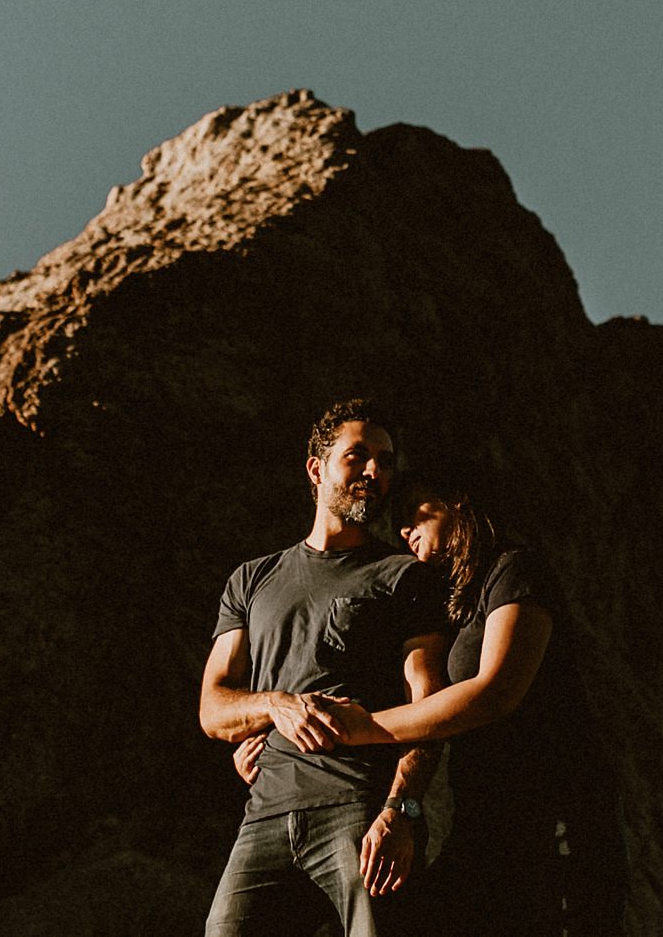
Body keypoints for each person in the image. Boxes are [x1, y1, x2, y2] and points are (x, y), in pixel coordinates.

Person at [238, 465, 620, 937]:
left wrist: (364, 727)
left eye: (415, 514)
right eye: (399, 522)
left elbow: (493, 693)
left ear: (457, 503)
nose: (403, 530)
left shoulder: (516, 569)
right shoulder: (458, 599)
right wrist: (276, 735)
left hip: (558, 823)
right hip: (486, 824)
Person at [198, 400, 451, 937]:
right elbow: (214, 707)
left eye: (384, 460)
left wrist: (401, 812)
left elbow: (429, 708)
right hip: (263, 814)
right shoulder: (252, 579)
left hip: (358, 809)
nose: (374, 471)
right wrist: (273, 705)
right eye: (357, 456)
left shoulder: (404, 576)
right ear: (316, 469)